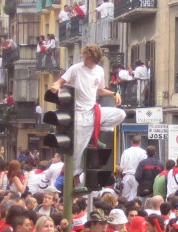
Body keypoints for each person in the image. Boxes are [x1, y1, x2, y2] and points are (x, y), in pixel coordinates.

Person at [49, 44, 126, 192]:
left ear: (94, 59)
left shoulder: (99, 71)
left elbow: (99, 90)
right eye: (84, 56)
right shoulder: (76, 69)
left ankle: (95, 136)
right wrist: (56, 86)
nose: (84, 59)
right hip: (78, 114)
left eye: (88, 57)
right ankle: (76, 180)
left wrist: (113, 94)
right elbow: (61, 80)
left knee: (120, 114)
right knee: (77, 149)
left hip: (93, 111)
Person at [119, 136, 147, 200]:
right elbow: (144, 166)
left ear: (131, 142)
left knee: (125, 197)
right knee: (135, 198)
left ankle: (126, 209)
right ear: (140, 143)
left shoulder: (125, 152)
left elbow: (121, 167)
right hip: (137, 177)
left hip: (126, 176)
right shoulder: (143, 152)